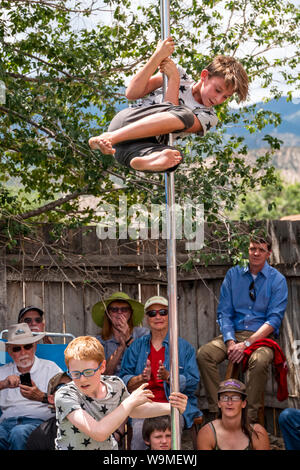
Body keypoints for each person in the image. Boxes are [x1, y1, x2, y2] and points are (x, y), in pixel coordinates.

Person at [89, 37, 249, 173]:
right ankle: (109, 138)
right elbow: (131, 93)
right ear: (204, 76)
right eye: (218, 90)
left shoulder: (208, 117)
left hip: (128, 150)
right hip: (127, 122)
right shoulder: (178, 74)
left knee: (174, 156)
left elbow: (170, 121)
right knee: (185, 114)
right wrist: (158, 57)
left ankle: (143, 161)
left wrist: (173, 81)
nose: (218, 98)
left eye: (226, 97)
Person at [197, 234, 288, 423]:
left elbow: (273, 320)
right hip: (234, 335)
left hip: (261, 339)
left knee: (260, 360)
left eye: (261, 249)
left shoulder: (277, 280)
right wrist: (231, 341)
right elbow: (224, 313)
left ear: (269, 253)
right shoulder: (234, 274)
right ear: (247, 250)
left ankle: (251, 420)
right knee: (204, 354)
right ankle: (220, 412)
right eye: (252, 248)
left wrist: (246, 344)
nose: (256, 253)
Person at [54, 335, 187, 450]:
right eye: (75, 373)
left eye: (88, 372)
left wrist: (171, 407)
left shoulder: (114, 384)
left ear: (102, 367)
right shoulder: (65, 394)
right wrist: (131, 401)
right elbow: (98, 433)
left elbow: (134, 410)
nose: (82, 379)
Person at [119, 295, 202, 450]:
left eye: (163, 312)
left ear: (170, 316)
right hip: (144, 406)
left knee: (172, 440)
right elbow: (122, 380)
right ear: (147, 318)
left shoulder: (184, 347)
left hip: (174, 405)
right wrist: (141, 378)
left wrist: (170, 378)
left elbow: (193, 382)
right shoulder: (136, 347)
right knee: (138, 438)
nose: (158, 316)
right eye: (152, 313)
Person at [0, 323, 62, 450]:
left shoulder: (50, 368)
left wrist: (41, 396)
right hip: (6, 423)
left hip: (39, 423)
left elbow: (66, 399)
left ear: (34, 347)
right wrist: (3, 384)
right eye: (17, 349)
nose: (23, 352)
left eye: (27, 346)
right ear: (10, 352)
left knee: (19, 433)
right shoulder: (3, 371)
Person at [197, 379, 270, 450]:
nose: (229, 403)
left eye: (235, 398)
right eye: (225, 397)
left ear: (243, 403)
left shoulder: (258, 434)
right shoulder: (207, 433)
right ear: (219, 403)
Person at [92, 292, 148, 376]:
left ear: (130, 313)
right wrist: (121, 348)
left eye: (124, 309)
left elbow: (143, 365)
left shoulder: (142, 334)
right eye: (114, 310)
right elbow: (104, 374)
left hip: (136, 382)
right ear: (108, 314)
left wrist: (128, 338)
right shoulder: (99, 341)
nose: (119, 313)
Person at [26, 371, 71, 450]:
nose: (71, 391)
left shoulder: (97, 421)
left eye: (74, 386)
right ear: (51, 399)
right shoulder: (40, 435)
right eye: (62, 387)